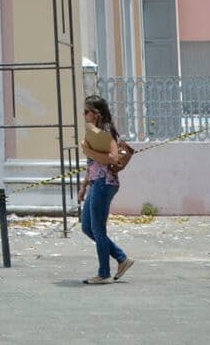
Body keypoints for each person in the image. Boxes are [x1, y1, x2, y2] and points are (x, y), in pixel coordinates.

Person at [78, 94, 133, 285]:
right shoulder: (92, 132)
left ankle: (103, 273)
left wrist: (88, 151)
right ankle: (121, 258)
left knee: (98, 229)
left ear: (97, 113)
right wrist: (84, 187)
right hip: (95, 182)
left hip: (105, 182)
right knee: (87, 227)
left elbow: (113, 158)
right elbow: (92, 163)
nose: (84, 115)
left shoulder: (106, 131)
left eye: (86, 112)